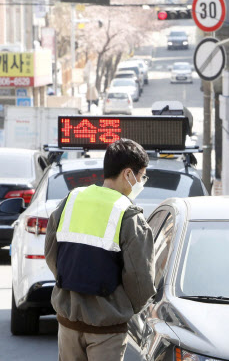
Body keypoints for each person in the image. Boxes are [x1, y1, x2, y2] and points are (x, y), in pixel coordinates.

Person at [45, 138, 156, 361]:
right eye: (141, 176)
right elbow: (140, 279)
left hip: (68, 325)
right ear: (128, 174)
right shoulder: (129, 215)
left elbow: (51, 254)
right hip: (107, 330)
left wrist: (70, 284)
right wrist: (123, 308)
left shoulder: (71, 200)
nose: (142, 182)